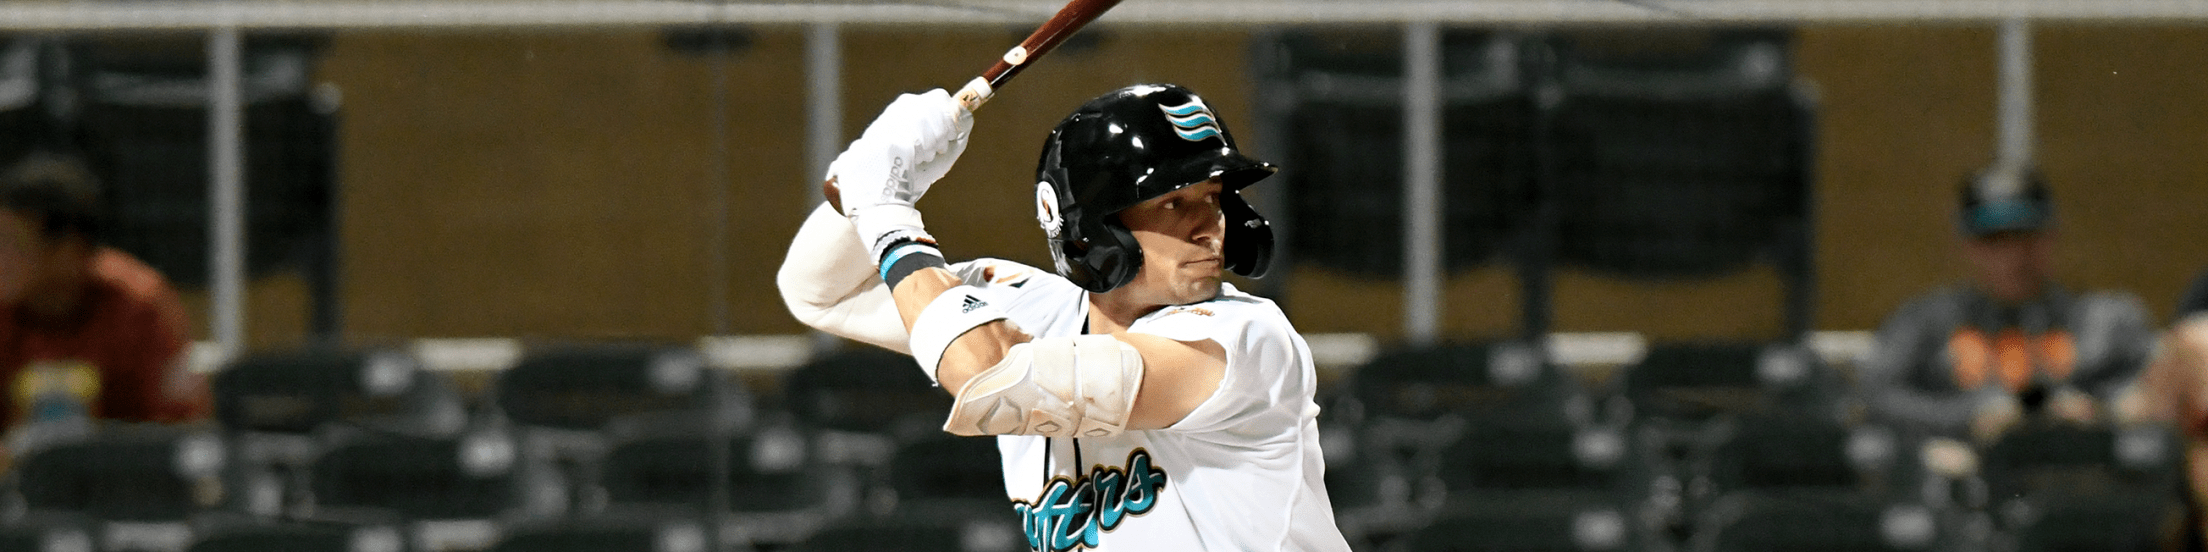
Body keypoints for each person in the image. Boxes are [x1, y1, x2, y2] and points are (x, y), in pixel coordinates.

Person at [778, 84, 1349, 551]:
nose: (1209, 226)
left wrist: (888, 218)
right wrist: (868, 178)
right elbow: (817, 294)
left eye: (1213, 196)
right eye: (1173, 202)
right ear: (1091, 227)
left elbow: (993, 381)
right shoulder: (1029, 307)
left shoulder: (1244, 339)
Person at [1857, 162, 2154, 443]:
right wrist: (1966, 418)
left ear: (2052, 236)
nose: (2013, 256)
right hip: (1969, 467)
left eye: (2027, 236)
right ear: (1966, 246)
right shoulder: (1926, 323)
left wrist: (2098, 412)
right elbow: (1873, 398)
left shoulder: (2104, 322)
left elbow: (2148, 395)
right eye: (1994, 241)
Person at [0, 152, 208, 452]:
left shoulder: (138, 305)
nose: (2, 259)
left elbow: (178, 429)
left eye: (12, 245)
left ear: (68, 250)